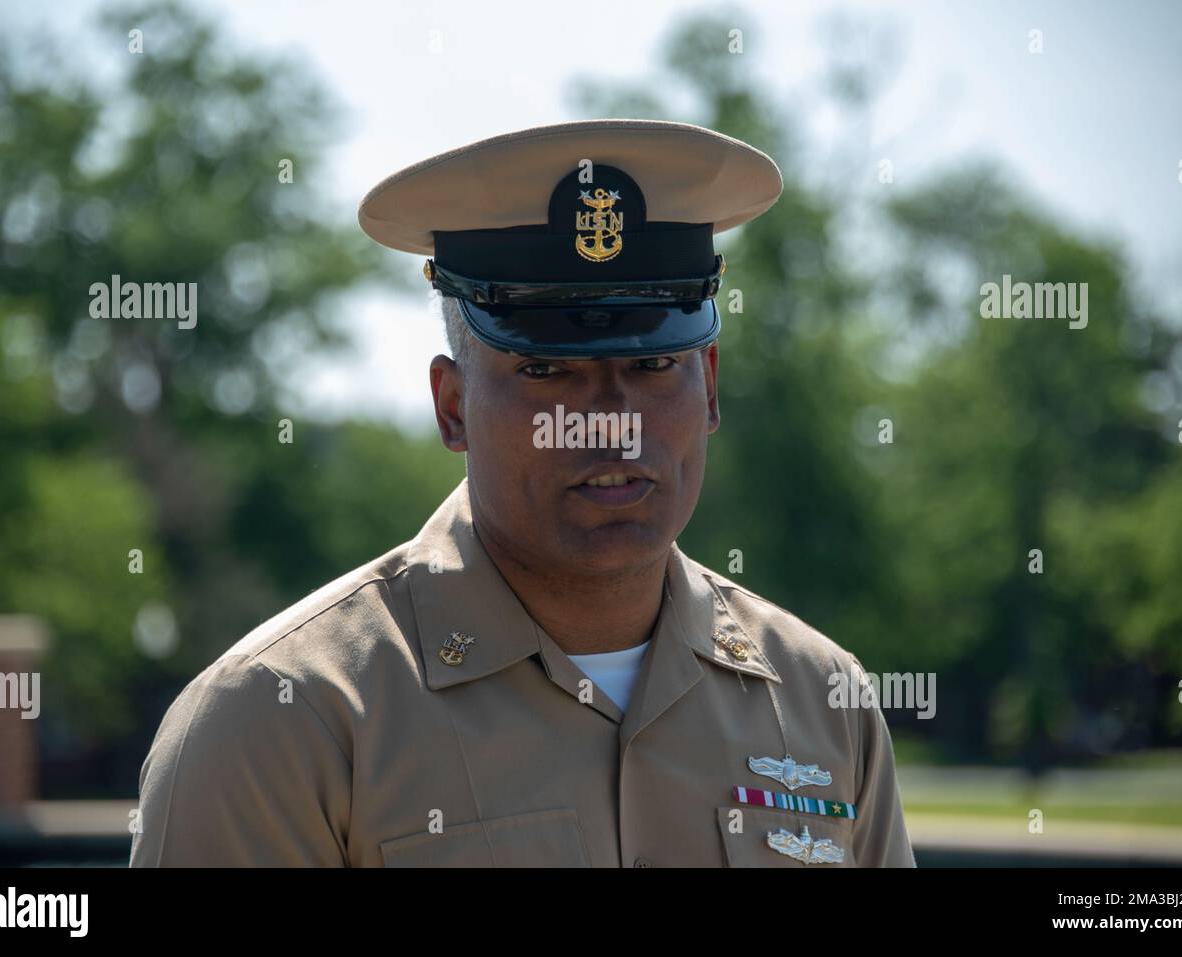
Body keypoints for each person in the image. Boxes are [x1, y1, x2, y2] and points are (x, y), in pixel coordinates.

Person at [129, 118, 916, 867]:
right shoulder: (281, 719)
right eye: (546, 371)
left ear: (708, 388)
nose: (610, 421)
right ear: (451, 406)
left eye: (652, 366)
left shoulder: (823, 700)